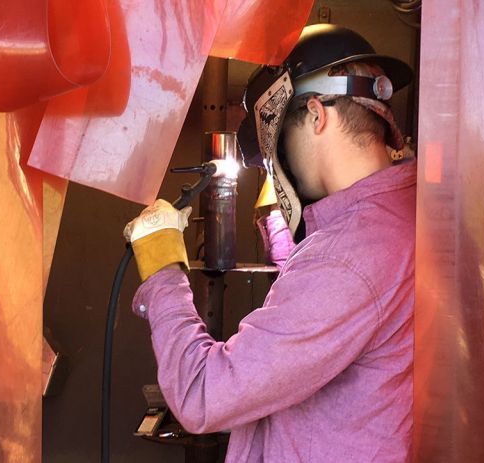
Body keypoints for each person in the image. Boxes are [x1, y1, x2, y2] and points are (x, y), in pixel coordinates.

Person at [123, 24, 416, 462]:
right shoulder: (404, 217)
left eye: (278, 146)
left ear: (317, 115)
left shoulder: (349, 255)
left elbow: (203, 395)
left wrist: (164, 271)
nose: (275, 168)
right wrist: (275, 224)